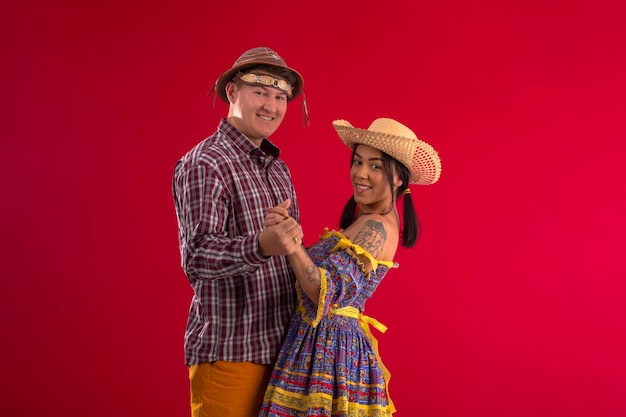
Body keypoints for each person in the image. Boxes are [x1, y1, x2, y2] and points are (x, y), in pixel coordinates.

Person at [259, 118, 442, 416]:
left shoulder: (377, 227)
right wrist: (282, 235)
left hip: (330, 354)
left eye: (375, 166)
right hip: (316, 347)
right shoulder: (364, 221)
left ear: (398, 178)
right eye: (358, 161)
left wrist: (292, 244)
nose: (360, 173)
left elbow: (323, 291)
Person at [172, 47, 307, 417]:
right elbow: (198, 257)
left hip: (285, 355)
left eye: (281, 96)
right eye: (260, 92)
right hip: (232, 353)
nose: (272, 106)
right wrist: (261, 246)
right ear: (232, 92)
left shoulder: (279, 170)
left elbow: (289, 256)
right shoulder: (206, 162)